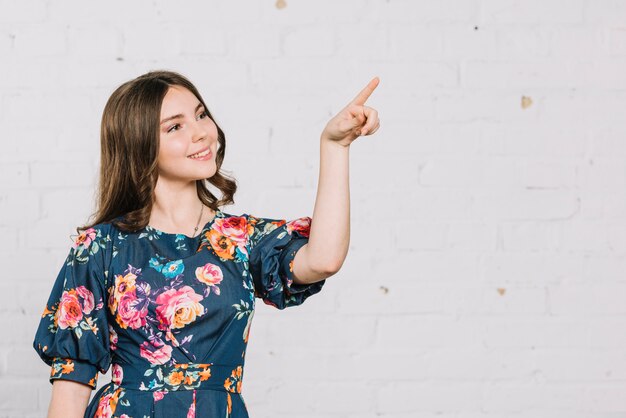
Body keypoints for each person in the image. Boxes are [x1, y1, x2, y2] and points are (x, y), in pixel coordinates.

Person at [32, 70, 380, 418]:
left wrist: (335, 146)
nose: (201, 132)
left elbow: (323, 260)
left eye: (201, 115)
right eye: (175, 126)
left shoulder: (239, 239)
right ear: (139, 145)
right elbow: (71, 385)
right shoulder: (101, 246)